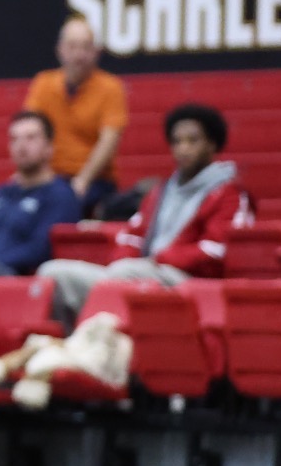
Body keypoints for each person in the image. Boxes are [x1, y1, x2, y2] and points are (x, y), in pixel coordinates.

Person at [35, 103, 251, 324]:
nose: (183, 149)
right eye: (177, 141)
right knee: (53, 273)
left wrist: (162, 259)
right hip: (140, 272)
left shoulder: (228, 193)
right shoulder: (161, 192)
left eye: (192, 141)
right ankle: (73, 340)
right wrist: (125, 261)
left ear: (212, 145)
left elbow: (216, 250)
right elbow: (133, 236)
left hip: (189, 280)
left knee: (123, 275)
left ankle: (107, 335)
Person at [0, 111, 80, 284]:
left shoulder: (60, 195)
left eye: (31, 138)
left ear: (49, 147)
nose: (21, 146)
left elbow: (40, 250)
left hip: (14, 278)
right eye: (14, 139)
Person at [23, 16, 128, 217]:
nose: (79, 55)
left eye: (86, 47)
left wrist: (83, 181)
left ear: (97, 52)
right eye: (72, 47)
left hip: (95, 181)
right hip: (50, 177)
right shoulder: (43, 84)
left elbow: (109, 141)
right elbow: (30, 130)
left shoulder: (111, 88)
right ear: (60, 50)